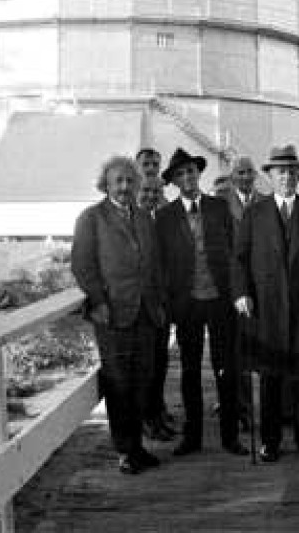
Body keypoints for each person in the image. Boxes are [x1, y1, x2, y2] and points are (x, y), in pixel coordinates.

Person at [233, 144, 299, 463]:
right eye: (281, 171)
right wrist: (241, 294)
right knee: (270, 377)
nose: (287, 177)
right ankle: (270, 442)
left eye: (293, 171)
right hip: (267, 309)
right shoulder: (254, 215)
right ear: (270, 175)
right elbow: (238, 260)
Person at [71, 156, 166, 475]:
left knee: (143, 381)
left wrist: (158, 303)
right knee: (119, 384)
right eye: (118, 181)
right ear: (106, 185)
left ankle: (138, 446)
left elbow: (154, 266)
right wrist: (99, 302)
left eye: (130, 181)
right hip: (113, 315)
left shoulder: (143, 218)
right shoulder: (91, 218)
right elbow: (83, 266)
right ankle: (125, 451)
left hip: (146, 313)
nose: (125, 187)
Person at [156, 147, 248, 457]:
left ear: (199, 174)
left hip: (221, 299)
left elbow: (236, 254)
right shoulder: (165, 217)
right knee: (190, 370)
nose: (187, 177)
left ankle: (230, 436)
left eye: (191, 171)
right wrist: (169, 302)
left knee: (227, 368)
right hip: (187, 303)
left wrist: (239, 293)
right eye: (180, 174)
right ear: (175, 181)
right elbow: (162, 264)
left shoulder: (218, 207)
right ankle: (192, 437)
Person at [219, 155, 267, 432]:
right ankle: (241, 408)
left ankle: (276, 408)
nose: (245, 177)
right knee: (235, 350)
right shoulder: (220, 203)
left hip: (260, 284)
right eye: (240, 172)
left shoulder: (265, 202)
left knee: (263, 346)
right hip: (230, 285)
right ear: (232, 176)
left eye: (249, 172)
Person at [136, 175, 176, 442]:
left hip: (162, 304)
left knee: (160, 363)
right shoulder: (133, 219)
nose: (151, 196)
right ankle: (147, 420)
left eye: (156, 192)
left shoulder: (160, 220)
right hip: (139, 307)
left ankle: (157, 413)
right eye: (146, 191)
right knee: (145, 367)